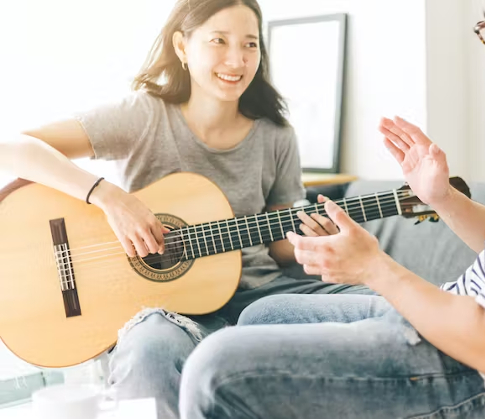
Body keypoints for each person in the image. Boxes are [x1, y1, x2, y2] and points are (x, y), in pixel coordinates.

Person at [178, 0, 485, 418]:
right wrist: (443, 199)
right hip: (469, 322)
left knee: (215, 373)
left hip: (483, 381)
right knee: (265, 315)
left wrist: (372, 267)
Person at [0, 1, 372, 418]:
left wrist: (310, 241)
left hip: (265, 297)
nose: (237, 59)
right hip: (164, 307)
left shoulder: (276, 134)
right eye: (219, 41)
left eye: (250, 44)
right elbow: (12, 148)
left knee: (388, 307)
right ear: (182, 45)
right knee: (150, 348)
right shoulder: (144, 117)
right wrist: (107, 196)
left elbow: (277, 241)